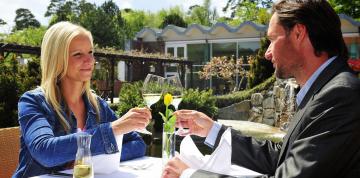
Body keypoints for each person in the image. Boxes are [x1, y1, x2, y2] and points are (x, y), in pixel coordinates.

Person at [162, 0, 360, 178]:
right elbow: (280, 157)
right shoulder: (324, 89)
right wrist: (212, 130)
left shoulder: (340, 95)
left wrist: (190, 174)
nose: (267, 53)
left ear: (299, 33)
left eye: (273, 39)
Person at [13, 21, 152, 178]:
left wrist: (87, 158)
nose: (90, 61)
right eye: (78, 54)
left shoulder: (97, 105)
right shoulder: (33, 102)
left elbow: (138, 144)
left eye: (91, 52)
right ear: (57, 59)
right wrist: (112, 130)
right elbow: (45, 152)